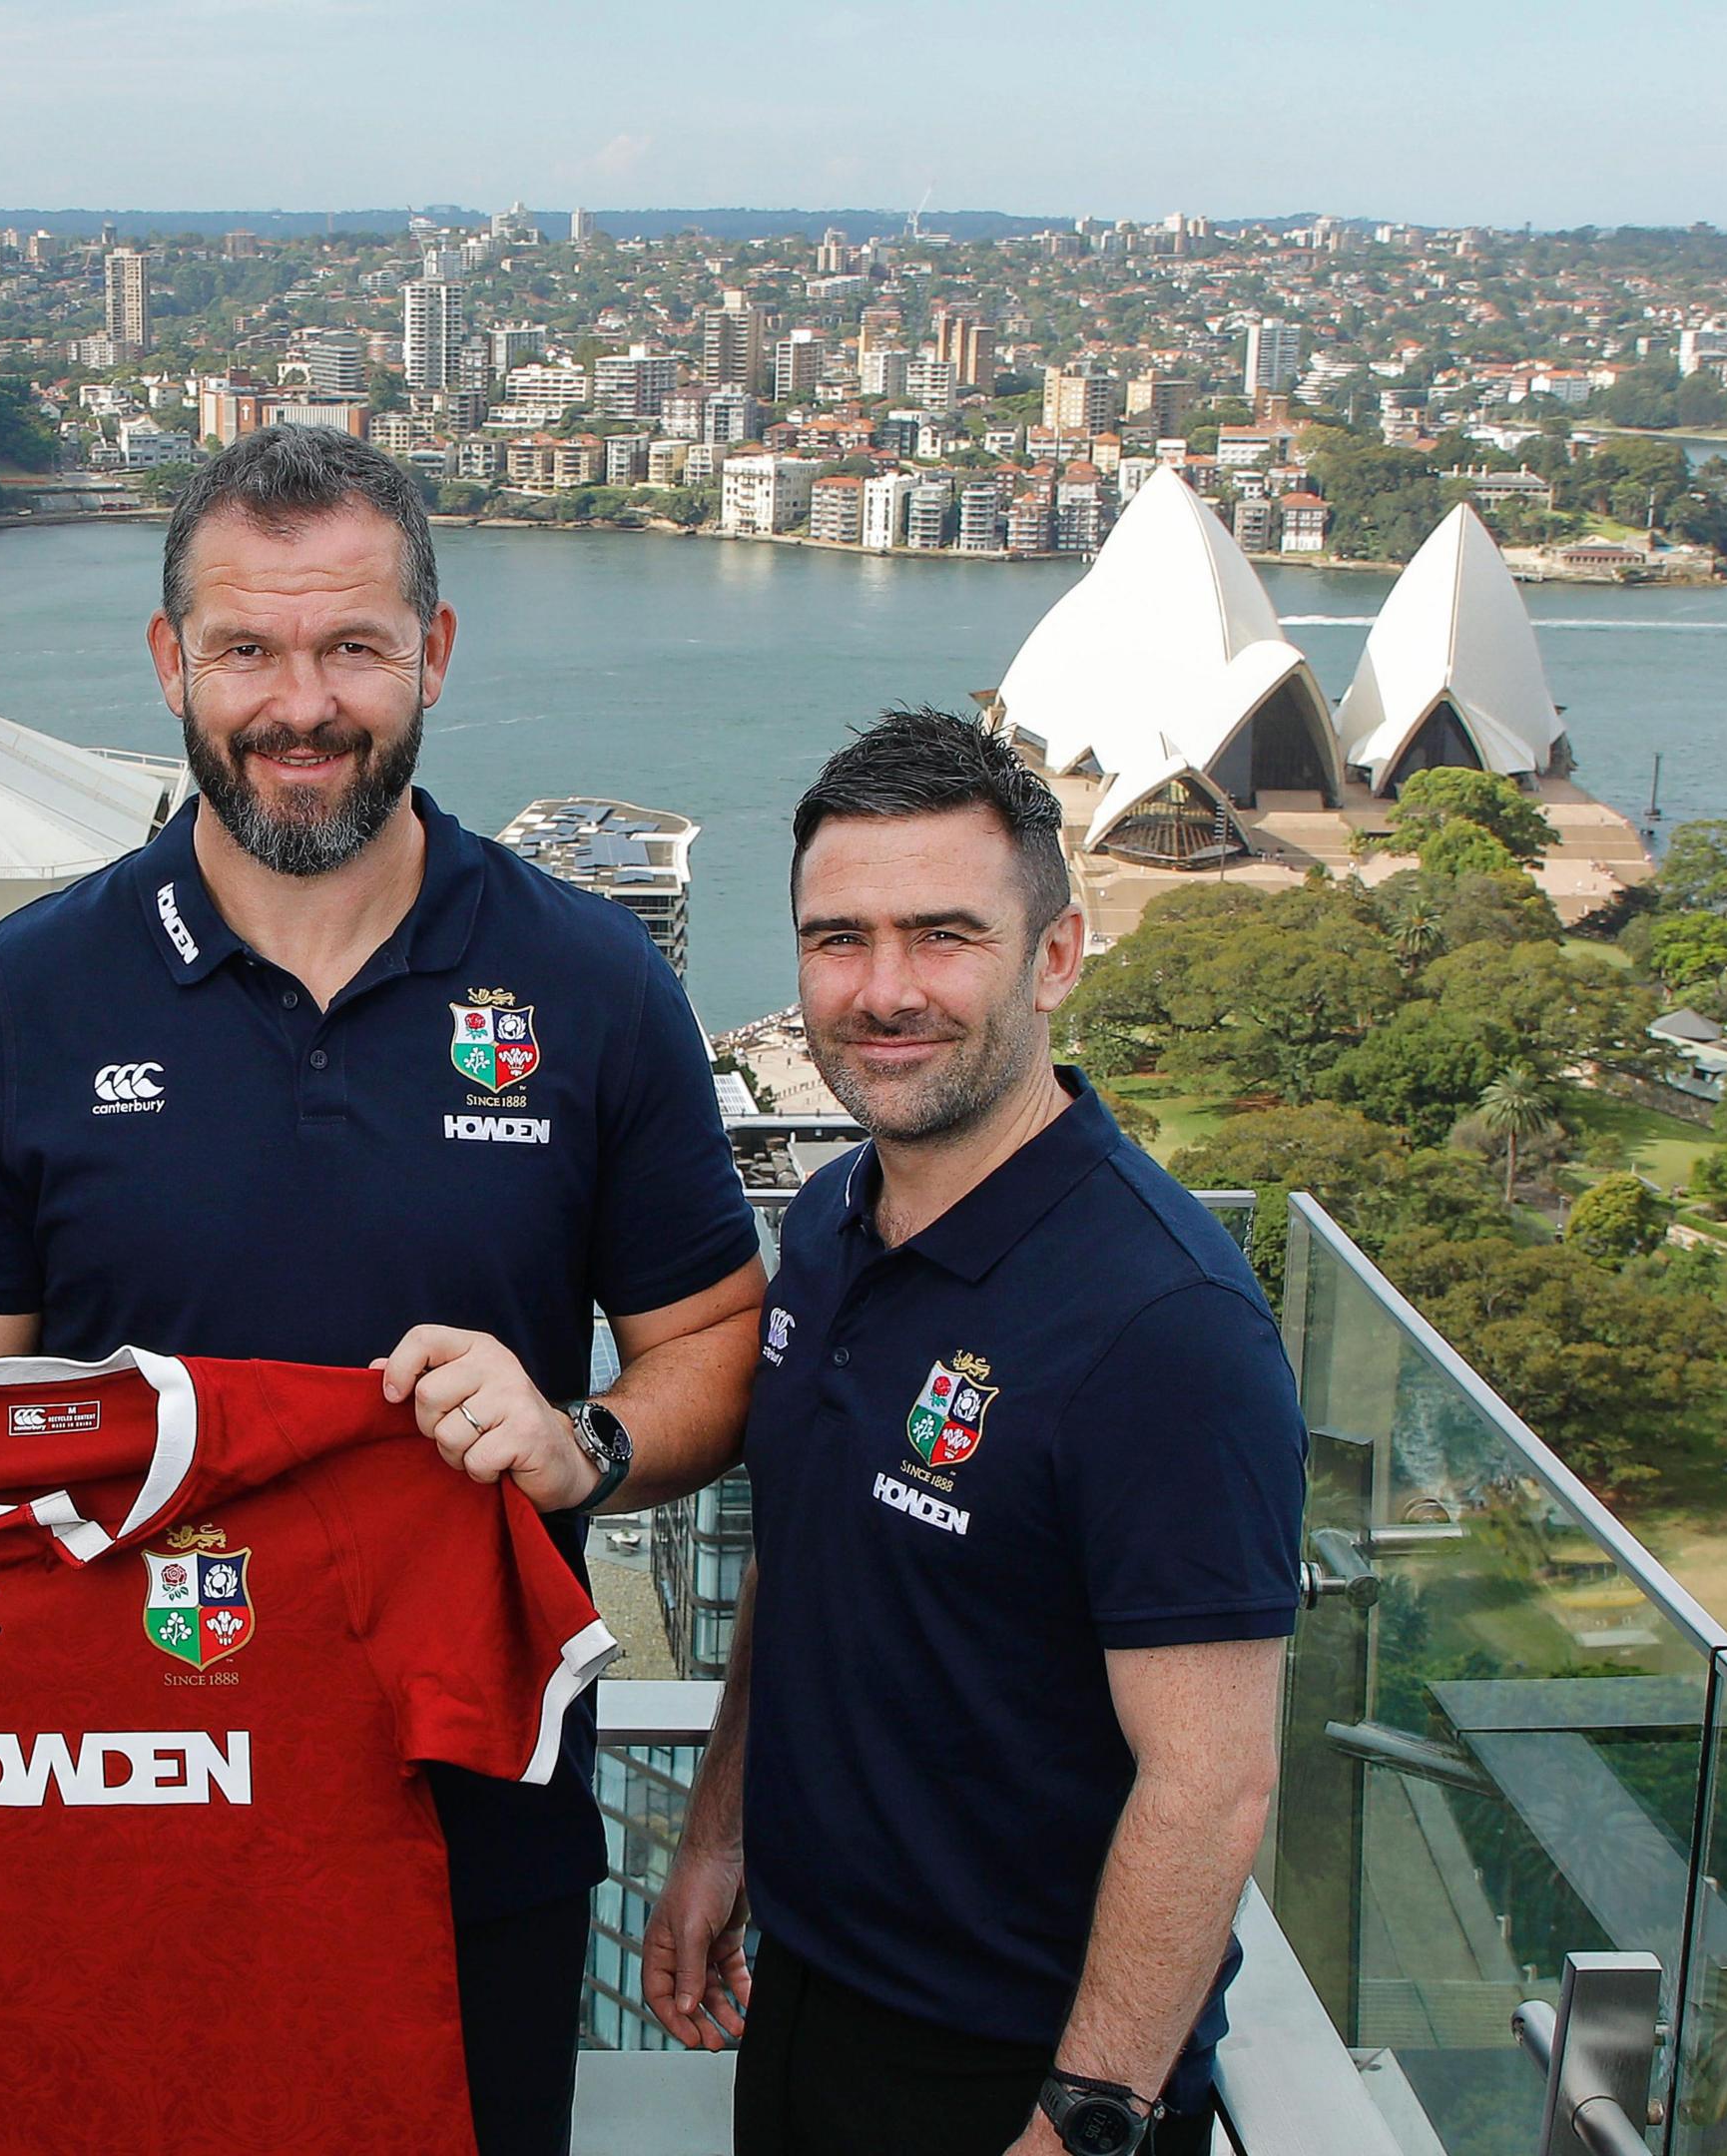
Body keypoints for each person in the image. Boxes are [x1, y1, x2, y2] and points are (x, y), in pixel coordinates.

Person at [0, 423, 770, 2156]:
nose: (303, 705)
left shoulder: (587, 983)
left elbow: (715, 1343)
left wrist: (583, 1436)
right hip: (128, 1810)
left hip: (477, 1823)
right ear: (171, 666)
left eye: (354, 645)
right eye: (249, 650)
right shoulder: (29, 993)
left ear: (433, 652)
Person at [637, 709, 1304, 2156]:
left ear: (1054, 958)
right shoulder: (826, 1227)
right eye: (839, 939)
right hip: (811, 2002)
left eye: (945, 936)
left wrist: (1087, 2117)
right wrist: (719, 1837)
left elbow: (1213, 1781)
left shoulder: (1165, 1326)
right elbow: (801, 1564)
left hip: (1018, 2071)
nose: (885, 992)